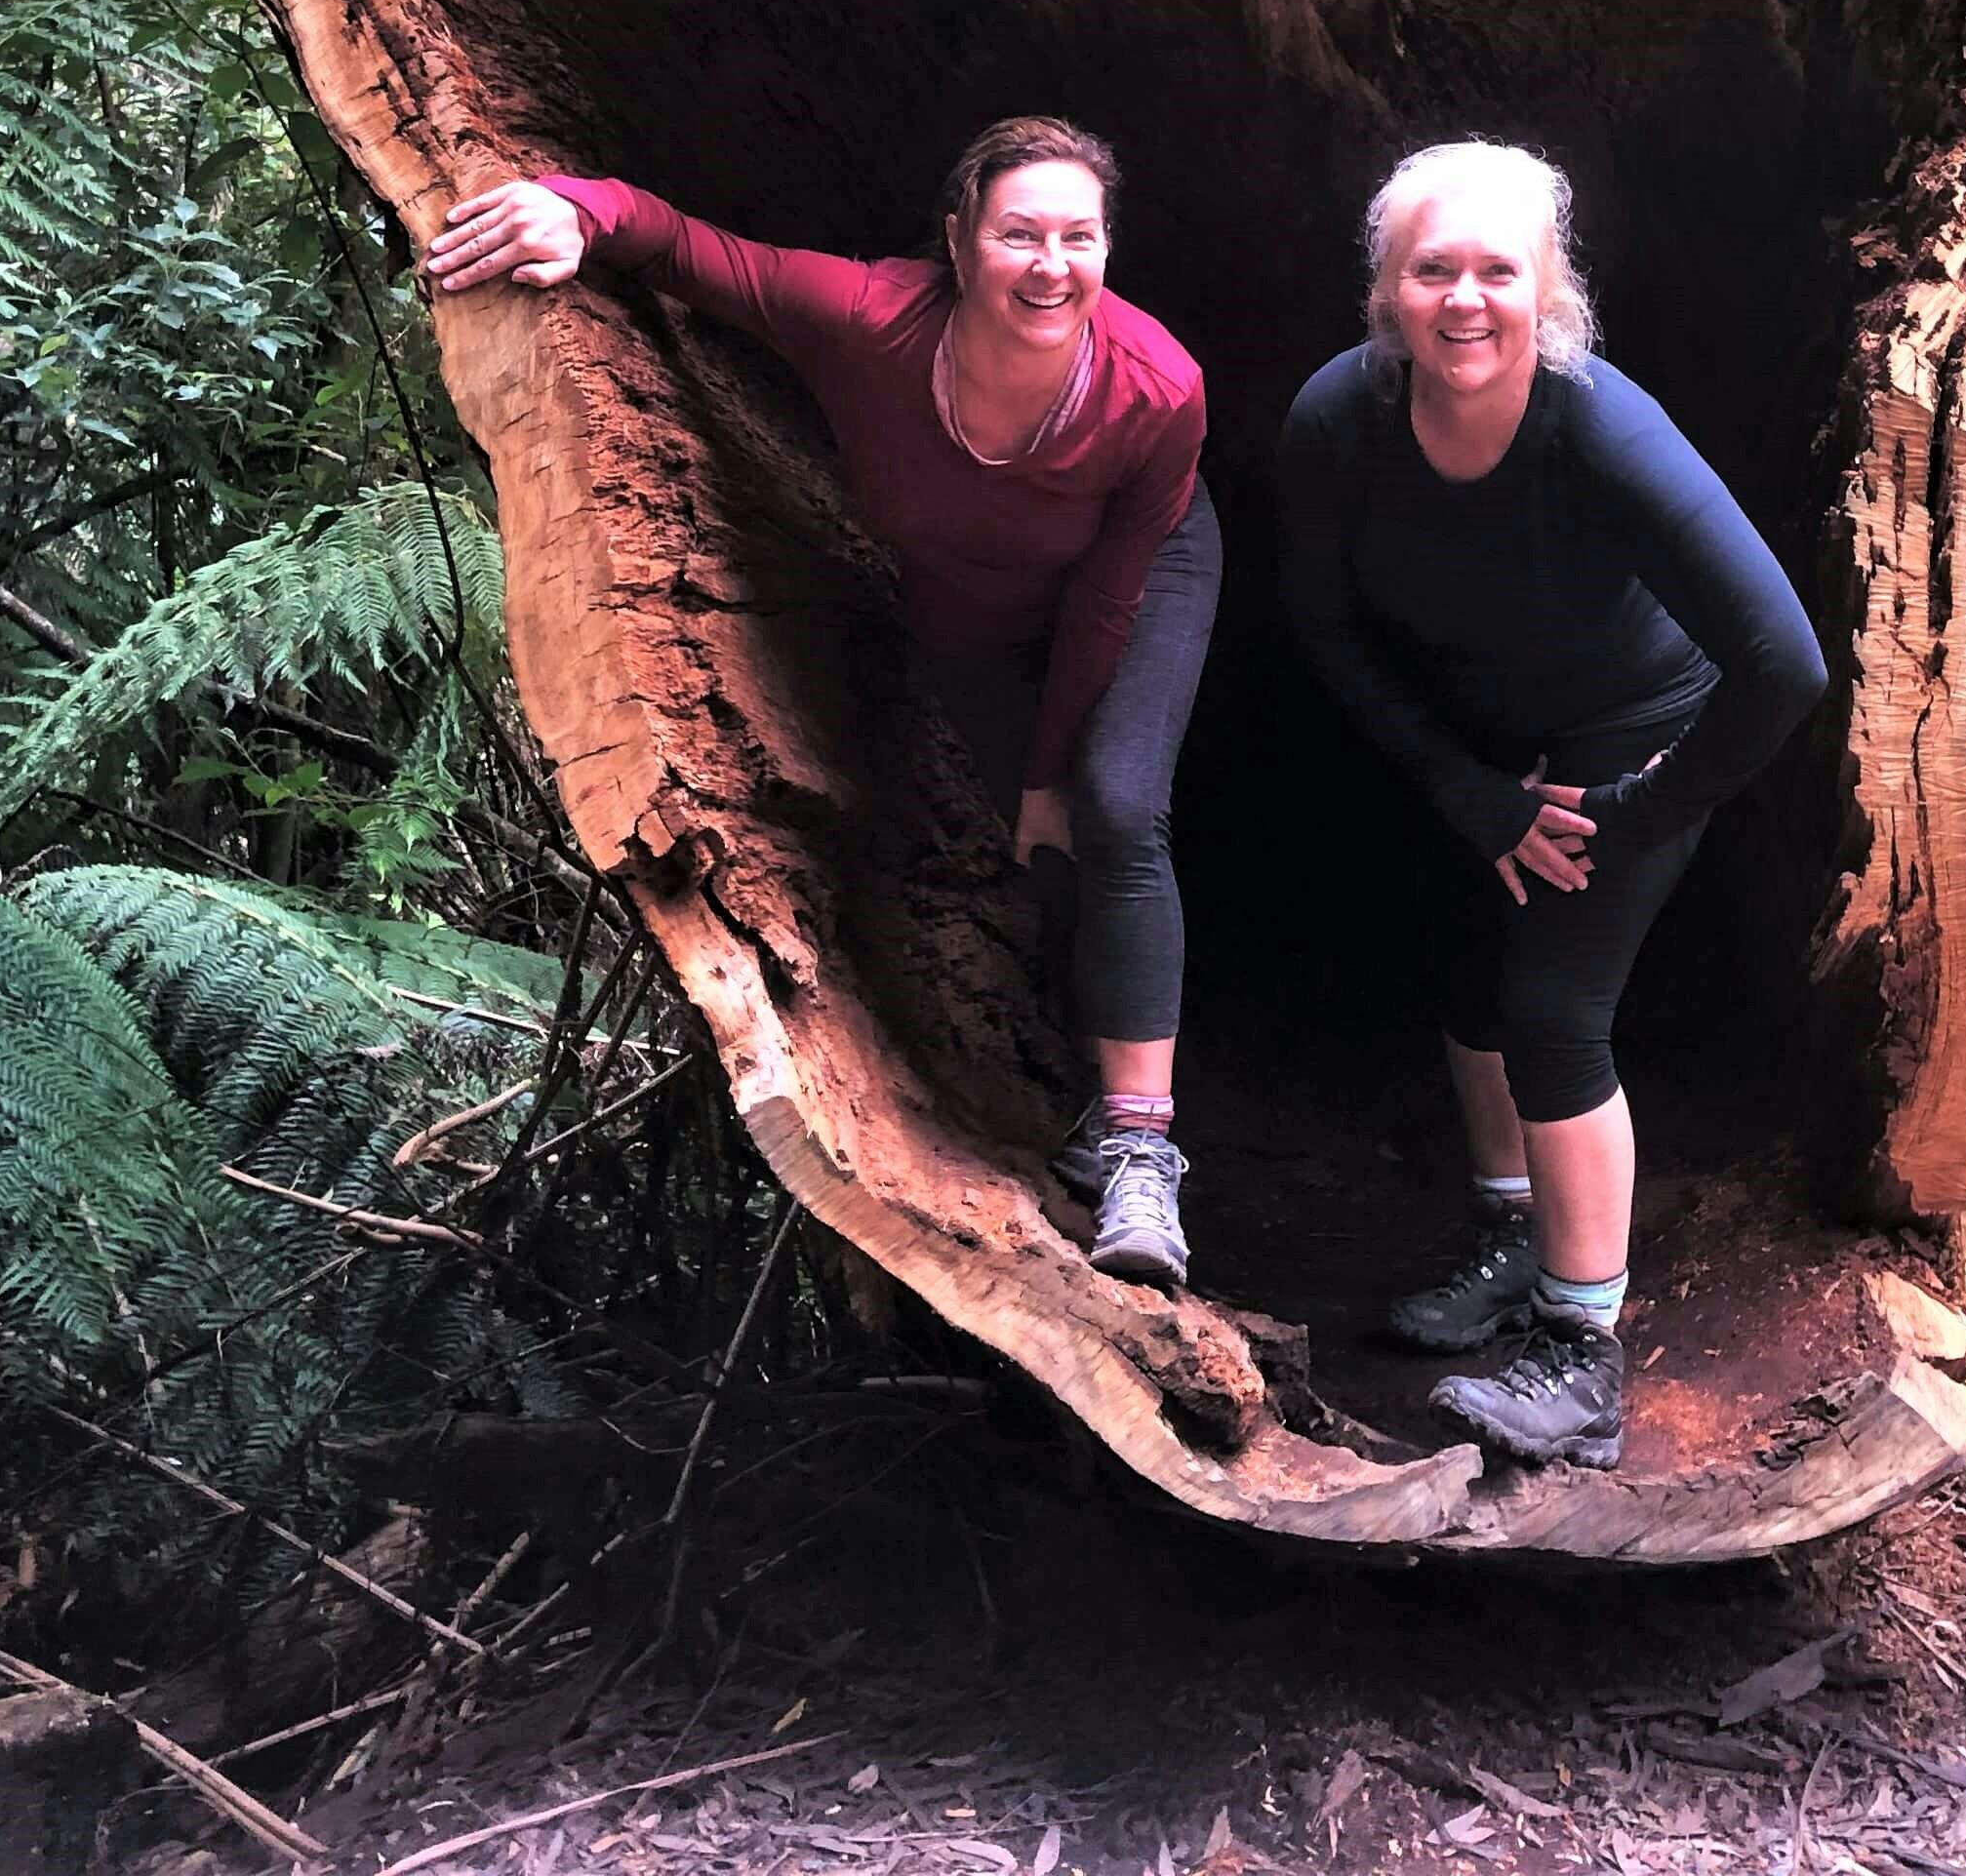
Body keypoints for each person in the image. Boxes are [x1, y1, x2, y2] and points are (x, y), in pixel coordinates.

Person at [428, 120, 1215, 1289]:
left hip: (1138, 579)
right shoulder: (872, 319)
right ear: (958, 240)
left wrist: (1054, 768)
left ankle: (1144, 1151)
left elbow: (1106, 600)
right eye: (1019, 235)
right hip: (974, 609)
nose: (1052, 266)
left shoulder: (1155, 389)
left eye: (1080, 237)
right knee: (1017, 841)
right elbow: (699, 252)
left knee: (1110, 805)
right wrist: (578, 211)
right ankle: (1064, 1081)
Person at [1276, 141, 1825, 1469]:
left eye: (1498, 271)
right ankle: (1516, 1240)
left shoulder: (1600, 428)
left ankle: (1583, 1355)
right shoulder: (1337, 422)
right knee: (1468, 980)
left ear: (1550, 291)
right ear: (1389, 292)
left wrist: (1636, 810)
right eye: (1434, 270)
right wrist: (1468, 792)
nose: (1466, 300)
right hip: (1477, 739)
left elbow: (1784, 664)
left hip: (1630, 739)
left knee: (1552, 1011)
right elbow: (1323, 627)